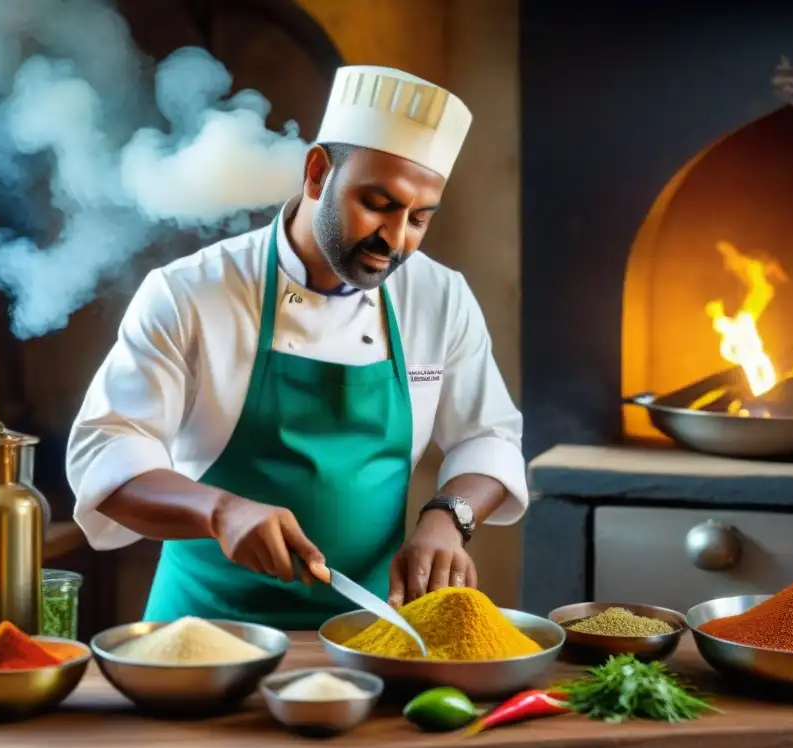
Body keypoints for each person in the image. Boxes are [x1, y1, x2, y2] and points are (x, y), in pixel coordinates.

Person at [65, 65, 528, 629]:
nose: (396, 239)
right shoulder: (190, 292)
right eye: (379, 204)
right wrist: (218, 510)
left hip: (370, 634)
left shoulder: (439, 296)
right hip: (204, 633)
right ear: (316, 173)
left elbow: (489, 435)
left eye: (419, 219)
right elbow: (105, 451)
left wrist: (447, 517)